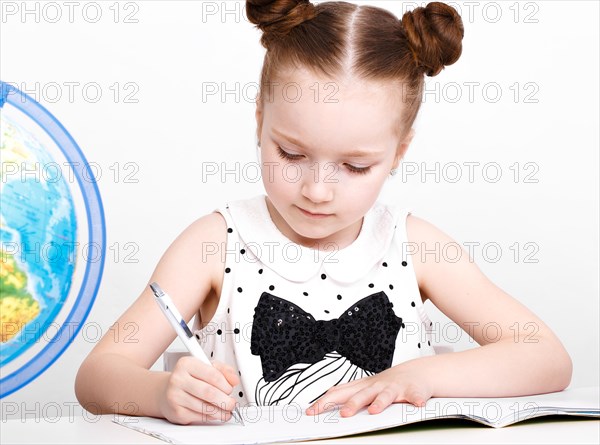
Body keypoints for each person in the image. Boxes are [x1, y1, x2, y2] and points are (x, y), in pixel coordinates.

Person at [75, 0, 572, 425]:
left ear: (398, 153)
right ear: (260, 120)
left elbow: (546, 358)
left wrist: (418, 376)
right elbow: (96, 376)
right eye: (291, 155)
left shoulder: (416, 246)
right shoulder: (212, 245)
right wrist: (160, 395)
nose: (317, 190)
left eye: (355, 166)